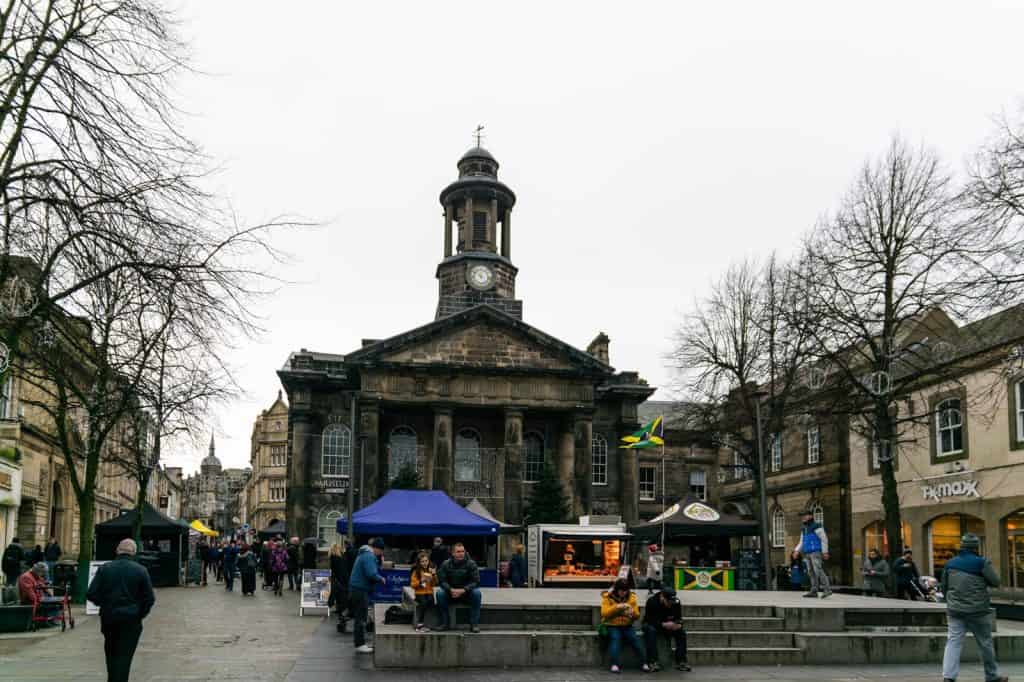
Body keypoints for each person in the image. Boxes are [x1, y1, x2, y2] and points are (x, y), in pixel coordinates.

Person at [941, 533, 1007, 682]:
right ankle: (992, 676)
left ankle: (949, 677)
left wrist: (951, 601)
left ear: (962, 546)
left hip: (955, 610)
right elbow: (996, 582)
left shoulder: (950, 563)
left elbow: (943, 587)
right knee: (985, 643)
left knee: (953, 642)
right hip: (978, 611)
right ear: (976, 547)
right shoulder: (981, 563)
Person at [86, 539, 155, 682]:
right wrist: (140, 613)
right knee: (125, 657)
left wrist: (104, 604)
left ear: (117, 550)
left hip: (110, 617)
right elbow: (149, 598)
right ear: (134, 552)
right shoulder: (141, 570)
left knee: (110, 654)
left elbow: (91, 593)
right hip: (131, 619)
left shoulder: (105, 569)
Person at [600, 577, 650, 674]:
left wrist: (631, 613)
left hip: (627, 625)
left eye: (625, 591)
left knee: (635, 639)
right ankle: (614, 664)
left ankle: (644, 662)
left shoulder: (632, 598)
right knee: (615, 638)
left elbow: (637, 615)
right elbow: (604, 613)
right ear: (616, 590)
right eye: (621, 590)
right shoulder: (608, 597)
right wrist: (616, 607)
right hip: (612, 624)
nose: (623, 593)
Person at [349, 537, 387, 654]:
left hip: (357, 589)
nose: (381, 553)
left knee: (360, 617)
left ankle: (360, 643)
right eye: (381, 551)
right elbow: (371, 573)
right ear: (376, 548)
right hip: (360, 590)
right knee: (361, 617)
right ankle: (360, 644)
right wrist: (380, 578)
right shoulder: (369, 556)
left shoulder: (365, 554)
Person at [642, 585, 691, 672]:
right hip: (653, 624)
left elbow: (679, 618)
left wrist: (678, 624)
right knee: (650, 631)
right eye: (668, 602)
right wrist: (663, 624)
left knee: (681, 633)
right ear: (662, 597)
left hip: (669, 625)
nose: (670, 604)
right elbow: (649, 620)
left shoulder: (676, 602)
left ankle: (681, 661)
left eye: (671, 602)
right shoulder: (652, 601)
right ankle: (653, 662)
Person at [437, 542, 482, 633]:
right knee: (440, 593)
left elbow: (476, 581)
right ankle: (445, 623)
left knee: (477, 593)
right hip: (450, 593)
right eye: (458, 551)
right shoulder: (446, 564)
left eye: (462, 551)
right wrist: (450, 589)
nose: (461, 553)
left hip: (466, 593)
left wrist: (464, 590)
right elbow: (442, 581)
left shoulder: (471, 564)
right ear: (453, 553)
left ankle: (474, 624)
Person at [793, 510, 832, 599]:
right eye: (802, 516)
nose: (802, 517)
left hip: (815, 552)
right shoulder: (804, 528)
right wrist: (796, 551)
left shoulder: (816, 526)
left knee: (818, 570)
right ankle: (814, 591)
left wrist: (825, 551)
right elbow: (802, 541)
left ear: (810, 516)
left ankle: (827, 589)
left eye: (804, 515)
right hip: (807, 553)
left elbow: (824, 539)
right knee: (811, 572)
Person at [410, 551, 437, 632]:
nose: (424, 563)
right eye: (422, 561)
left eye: (426, 561)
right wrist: (421, 581)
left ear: (428, 561)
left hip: (429, 592)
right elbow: (413, 584)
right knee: (424, 602)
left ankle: (429, 623)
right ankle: (420, 623)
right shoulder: (416, 572)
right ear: (419, 562)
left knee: (431, 601)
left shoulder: (430, 570)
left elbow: (434, 584)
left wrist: (434, 575)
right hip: (419, 593)